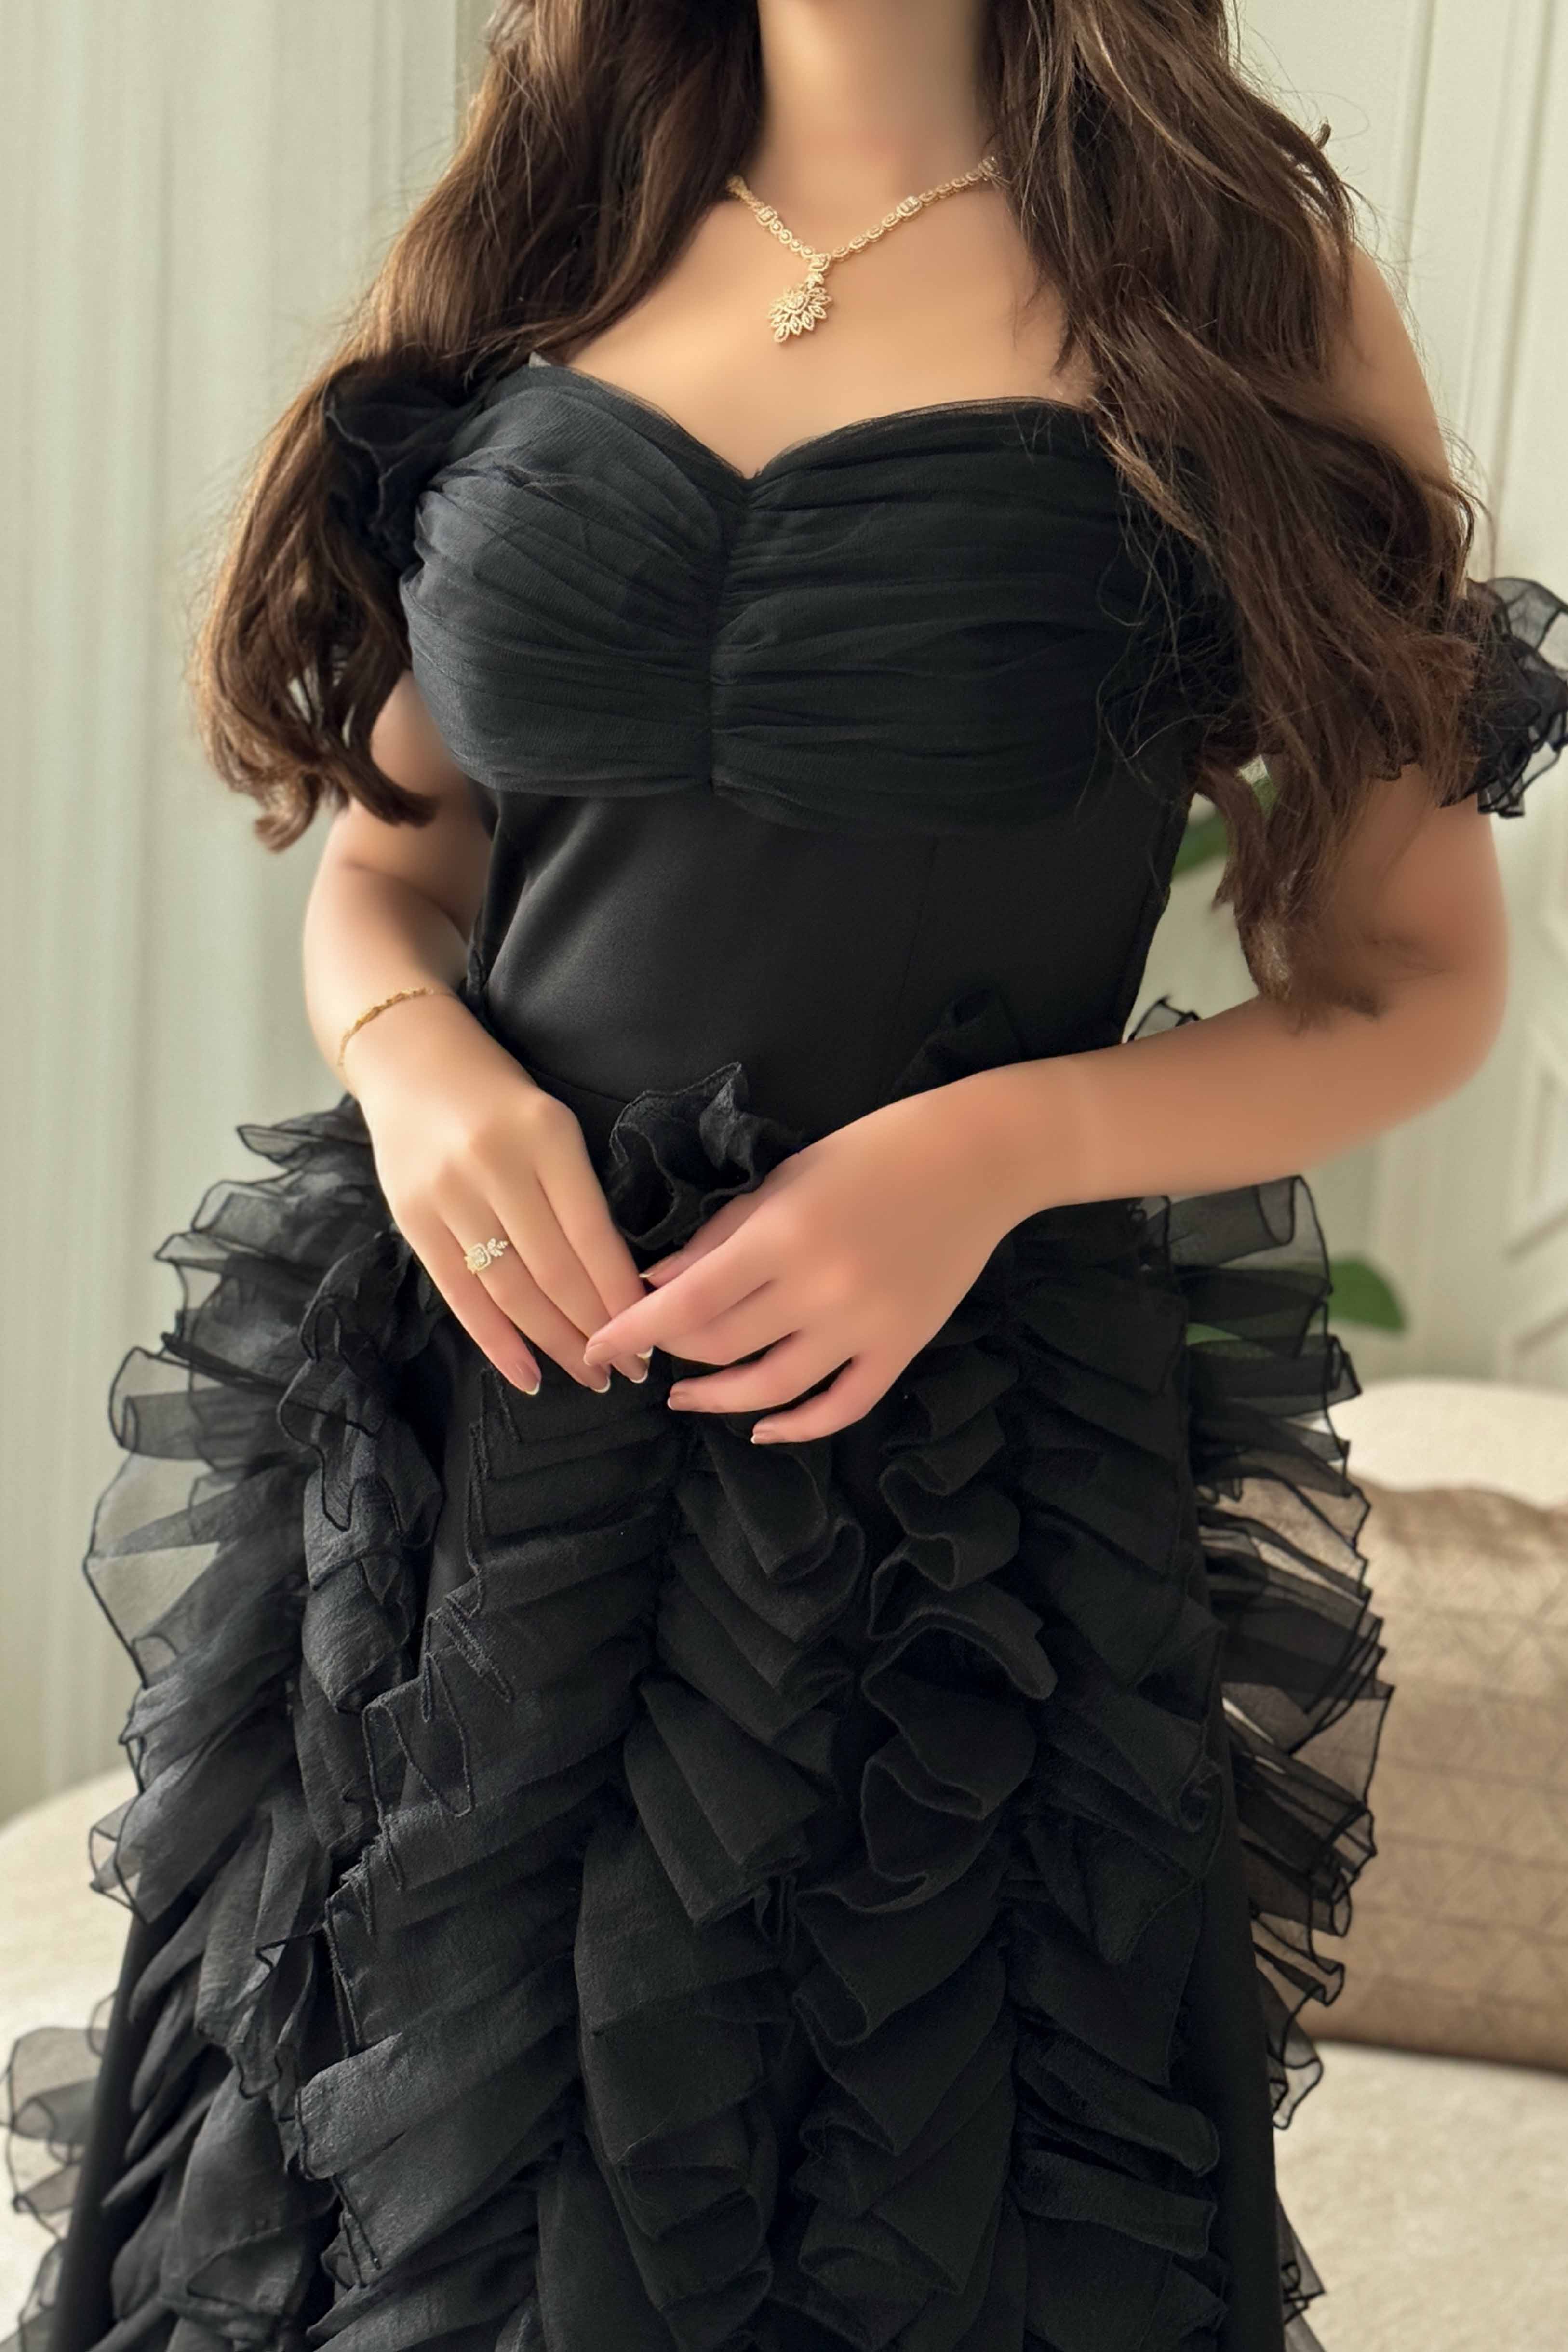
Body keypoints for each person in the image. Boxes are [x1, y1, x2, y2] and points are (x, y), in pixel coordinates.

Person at [5, 3, 1566, 2349]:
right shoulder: (543, 219)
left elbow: (1410, 977)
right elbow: (394, 870)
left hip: (940, 1503)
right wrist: (415, 1063)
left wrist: (991, 1146)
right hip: (462, 1447)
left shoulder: (1242, 277)